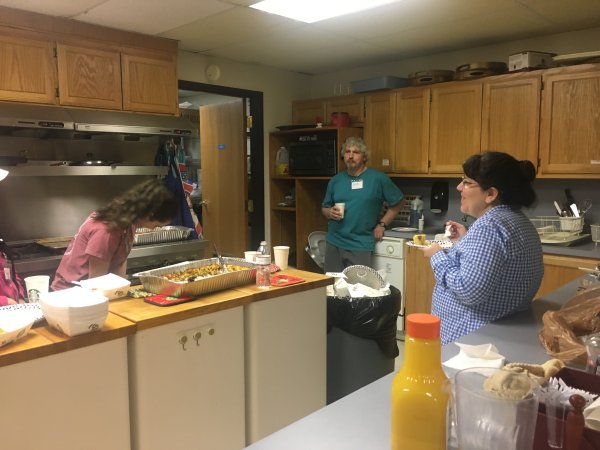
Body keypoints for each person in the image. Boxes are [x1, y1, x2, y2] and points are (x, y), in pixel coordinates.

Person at [421, 151, 543, 344]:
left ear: (491, 194)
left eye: (467, 182)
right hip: (500, 331)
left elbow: (468, 289)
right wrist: (465, 240)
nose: (459, 187)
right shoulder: (517, 220)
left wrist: (437, 255)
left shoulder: (489, 227)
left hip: (470, 339)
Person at [51, 179, 178, 291]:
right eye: (158, 225)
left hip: (93, 290)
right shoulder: (106, 231)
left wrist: (121, 291)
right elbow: (96, 283)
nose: (157, 228)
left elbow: (120, 262)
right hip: (71, 294)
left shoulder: (128, 223)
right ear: (150, 214)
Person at [321, 136, 404, 272]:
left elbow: (399, 202)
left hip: (360, 244)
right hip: (334, 242)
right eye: (347, 152)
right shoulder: (335, 181)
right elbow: (324, 208)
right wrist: (329, 212)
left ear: (364, 157)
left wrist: (382, 224)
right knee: (333, 284)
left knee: (359, 285)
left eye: (356, 152)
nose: (350, 156)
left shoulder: (378, 179)